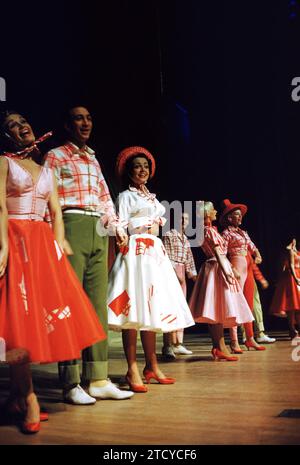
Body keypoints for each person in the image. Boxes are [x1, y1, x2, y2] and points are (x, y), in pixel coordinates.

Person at [0, 110, 106, 433]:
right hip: (15, 241)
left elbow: (56, 212)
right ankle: (29, 396)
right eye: (12, 126)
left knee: (37, 320)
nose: (22, 127)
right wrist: (3, 246)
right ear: (6, 136)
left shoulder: (46, 168)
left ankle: (17, 395)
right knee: (18, 318)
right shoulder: (4, 163)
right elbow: (0, 207)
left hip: (42, 245)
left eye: (23, 121)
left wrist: (59, 246)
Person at [43, 106, 133, 403]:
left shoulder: (93, 158)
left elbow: (105, 197)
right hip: (70, 224)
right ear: (68, 125)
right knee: (69, 303)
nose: (86, 123)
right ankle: (70, 382)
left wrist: (117, 226)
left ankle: (98, 377)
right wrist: (51, 237)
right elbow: (47, 198)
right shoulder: (55, 156)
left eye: (90, 118)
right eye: (79, 118)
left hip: (97, 227)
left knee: (96, 306)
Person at [107, 146, 195, 391]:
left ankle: (152, 365)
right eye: (137, 166)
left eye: (146, 166)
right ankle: (132, 368)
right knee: (133, 309)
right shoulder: (126, 196)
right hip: (135, 253)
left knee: (151, 311)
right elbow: (121, 225)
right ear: (129, 171)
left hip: (154, 253)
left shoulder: (152, 199)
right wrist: (125, 239)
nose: (142, 170)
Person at [189, 201, 254, 361]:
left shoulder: (207, 230)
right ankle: (220, 347)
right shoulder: (209, 230)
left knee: (216, 309)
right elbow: (218, 252)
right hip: (217, 267)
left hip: (215, 266)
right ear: (206, 213)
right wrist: (228, 271)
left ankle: (219, 347)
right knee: (217, 308)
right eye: (213, 210)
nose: (216, 211)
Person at [220, 199, 266, 352]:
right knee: (235, 304)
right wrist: (232, 269)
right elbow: (222, 254)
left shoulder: (243, 232)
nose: (240, 218)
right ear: (229, 218)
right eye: (237, 215)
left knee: (248, 304)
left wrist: (257, 255)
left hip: (247, 267)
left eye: (240, 215)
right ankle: (234, 341)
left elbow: (252, 247)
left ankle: (250, 338)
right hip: (237, 267)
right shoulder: (226, 234)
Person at [161, 212, 197, 359]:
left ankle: (178, 343)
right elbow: (165, 256)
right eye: (181, 218)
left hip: (182, 272)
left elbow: (189, 259)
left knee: (181, 308)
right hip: (172, 271)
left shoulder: (186, 240)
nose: (184, 221)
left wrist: (193, 275)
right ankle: (167, 345)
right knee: (170, 308)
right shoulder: (169, 235)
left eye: (186, 219)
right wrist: (174, 274)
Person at [241, 255, 276, 343]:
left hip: (247, 275)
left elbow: (250, 259)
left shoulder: (245, 243)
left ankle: (259, 333)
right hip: (237, 275)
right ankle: (245, 335)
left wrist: (257, 254)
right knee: (241, 305)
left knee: (255, 305)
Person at [270, 238, 300, 340]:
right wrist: (296, 278)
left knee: (296, 306)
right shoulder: (289, 250)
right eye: (293, 239)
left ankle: (294, 329)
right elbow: (290, 265)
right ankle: (292, 329)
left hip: (296, 275)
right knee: (292, 305)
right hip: (292, 277)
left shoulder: (294, 250)